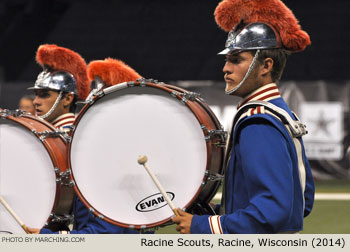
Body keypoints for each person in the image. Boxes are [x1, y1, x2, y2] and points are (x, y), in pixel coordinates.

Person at [173, 0, 315, 234]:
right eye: (227, 60)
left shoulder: (258, 121)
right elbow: (302, 202)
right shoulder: (278, 111)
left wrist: (204, 226)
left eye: (236, 59)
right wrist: (219, 211)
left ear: (265, 66)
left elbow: (273, 210)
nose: (225, 68)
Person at [26, 44, 139, 234]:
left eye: (44, 94)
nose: (35, 101)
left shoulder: (83, 146)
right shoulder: (79, 142)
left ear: (67, 99)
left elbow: (106, 236)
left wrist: (48, 238)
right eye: (36, 94)